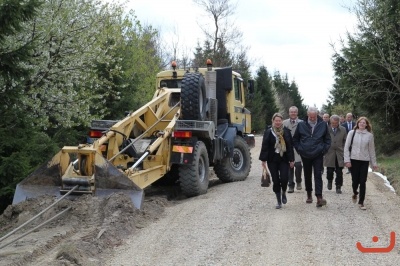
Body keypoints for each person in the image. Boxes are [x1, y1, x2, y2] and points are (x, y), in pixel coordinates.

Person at [293, 107, 331, 207]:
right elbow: (295, 139)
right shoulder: (301, 124)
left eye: (314, 117)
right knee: (307, 174)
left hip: (318, 153)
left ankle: (319, 197)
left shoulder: (323, 124)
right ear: (307, 114)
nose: (312, 118)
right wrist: (300, 149)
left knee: (318, 175)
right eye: (310, 117)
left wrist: (323, 150)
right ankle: (309, 194)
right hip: (305, 154)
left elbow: (327, 139)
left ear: (317, 115)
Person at [260, 113, 295, 209]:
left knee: (284, 178)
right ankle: (278, 200)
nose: (278, 122)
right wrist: (263, 160)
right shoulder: (269, 132)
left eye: (279, 121)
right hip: (272, 159)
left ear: (282, 121)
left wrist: (292, 160)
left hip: (284, 159)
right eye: (276, 121)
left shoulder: (286, 132)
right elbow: (265, 146)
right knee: (275, 180)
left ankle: (284, 191)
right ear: (273, 121)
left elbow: (290, 147)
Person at [344, 117, 378, 210]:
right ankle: (355, 192)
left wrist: (374, 163)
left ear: (366, 125)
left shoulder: (369, 136)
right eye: (360, 122)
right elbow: (346, 147)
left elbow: (372, 150)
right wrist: (347, 160)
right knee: (355, 181)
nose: (362, 124)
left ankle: (361, 202)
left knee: (363, 181)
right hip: (353, 160)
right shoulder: (352, 133)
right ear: (358, 124)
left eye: (364, 123)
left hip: (364, 160)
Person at [323, 115, 347, 194]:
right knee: (329, 171)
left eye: (336, 123)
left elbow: (345, 141)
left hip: (339, 153)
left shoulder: (343, 129)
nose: (334, 124)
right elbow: (323, 140)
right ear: (330, 122)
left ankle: (338, 186)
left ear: (338, 122)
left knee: (339, 171)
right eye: (333, 123)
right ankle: (330, 181)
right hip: (329, 153)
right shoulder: (326, 129)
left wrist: (343, 149)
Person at [283, 106, 303, 193]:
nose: (293, 113)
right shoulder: (284, 123)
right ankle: (290, 185)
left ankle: (298, 181)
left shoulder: (302, 123)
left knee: (298, 166)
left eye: (295, 112)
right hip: (287, 148)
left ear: (297, 113)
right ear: (289, 113)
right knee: (289, 167)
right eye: (291, 112)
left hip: (298, 148)